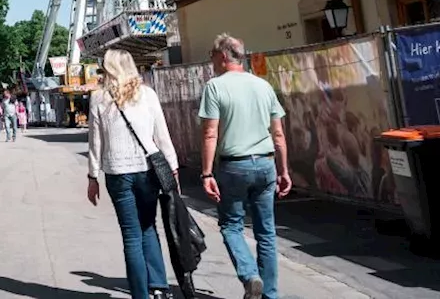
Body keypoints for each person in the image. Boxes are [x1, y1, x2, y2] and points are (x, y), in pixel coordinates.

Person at [200, 34, 291, 299]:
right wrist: (284, 170)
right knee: (266, 233)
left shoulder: (215, 87)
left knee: (231, 226)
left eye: (213, 56)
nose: (213, 62)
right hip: (266, 164)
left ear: (224, 56)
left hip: (234, 167)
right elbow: (279, 135)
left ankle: (250, 275)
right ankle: (269, 295)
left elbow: (210, 134)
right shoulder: (262, 86)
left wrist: (206, 173)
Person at [87, 50, 178, 299]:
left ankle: (140, 294)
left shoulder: (98, 98)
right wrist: (173, 166)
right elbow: (161, 134)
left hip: (117, 173)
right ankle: (159, 287)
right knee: (148, 227)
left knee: (131, 235)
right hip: (148, 170)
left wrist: (92, 176)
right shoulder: (147, 94)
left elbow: (96, 141)